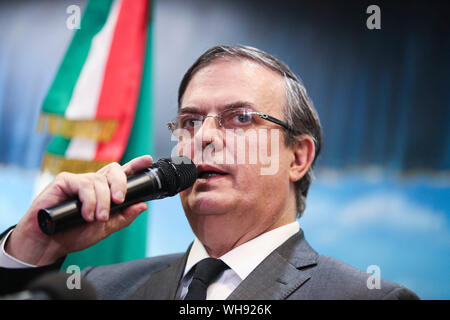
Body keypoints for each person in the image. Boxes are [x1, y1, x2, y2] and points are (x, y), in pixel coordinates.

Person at [0, 45, 419, 300]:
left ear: (298, 158)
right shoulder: (97, 289)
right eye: (189, 122)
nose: (205, 137)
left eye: (239, 118)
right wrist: (32, 250)